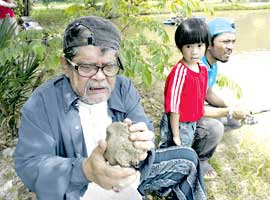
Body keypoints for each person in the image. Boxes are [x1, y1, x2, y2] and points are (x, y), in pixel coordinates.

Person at [13, 16, 207, 200]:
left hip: (129, 179)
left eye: (108, 66)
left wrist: (143, 143)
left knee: (187, 159)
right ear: (66, 64)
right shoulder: (43, 102)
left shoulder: (123, 88)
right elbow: (29, 165)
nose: (99, 77)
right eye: (87, 67)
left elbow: (143, 127)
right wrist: (86, 170)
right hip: (76, 192)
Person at [192, 17, 250, 179]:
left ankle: (205, 139)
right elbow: (195, 109)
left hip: (194, 109)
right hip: (181, 117)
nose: (230, 47)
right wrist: (228, 111)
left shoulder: (212, 62)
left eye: (233, 41)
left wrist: (230, 106)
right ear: (209, 44)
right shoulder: (197, 67)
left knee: (234, 121)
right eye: (225, 42)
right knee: (215, 127)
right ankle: (201, 159)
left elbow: (208, 93)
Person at [159, 18, 210, 149]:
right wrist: (176, 135)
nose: (194, 52)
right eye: (188, 46)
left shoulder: (202, 67)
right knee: (173, 150)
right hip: (178, 123)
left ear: (206, 45)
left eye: (199, 46)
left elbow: (200, 96)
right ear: (180, 47)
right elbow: (174, 107)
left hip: (192, 120)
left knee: (185, 147)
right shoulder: (180, 73)